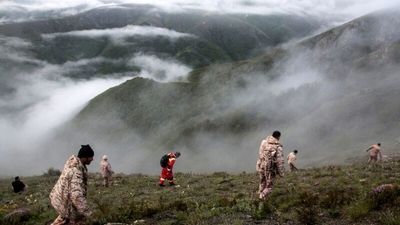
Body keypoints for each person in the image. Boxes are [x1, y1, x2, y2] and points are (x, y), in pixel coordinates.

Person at [49, 145, 94, 225]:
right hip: (64, 201)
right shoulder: (76, 171)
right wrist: (88, 213)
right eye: (91, 157)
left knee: (65, 218)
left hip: (61, 198)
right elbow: (76, 196)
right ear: (85, 157)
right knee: (74, 219)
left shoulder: (73, 164)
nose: (92, 159)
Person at [256, 131, 284, 200]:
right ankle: (262, 197)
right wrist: (281, 173)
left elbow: (260, 154)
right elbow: (279, 161)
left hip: (262, 166)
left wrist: (258, 165)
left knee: (262, 182)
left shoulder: (263, 142)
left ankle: (260, 194)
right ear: (278, 137)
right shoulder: (278, 147)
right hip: (270, 169)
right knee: (269, 186)